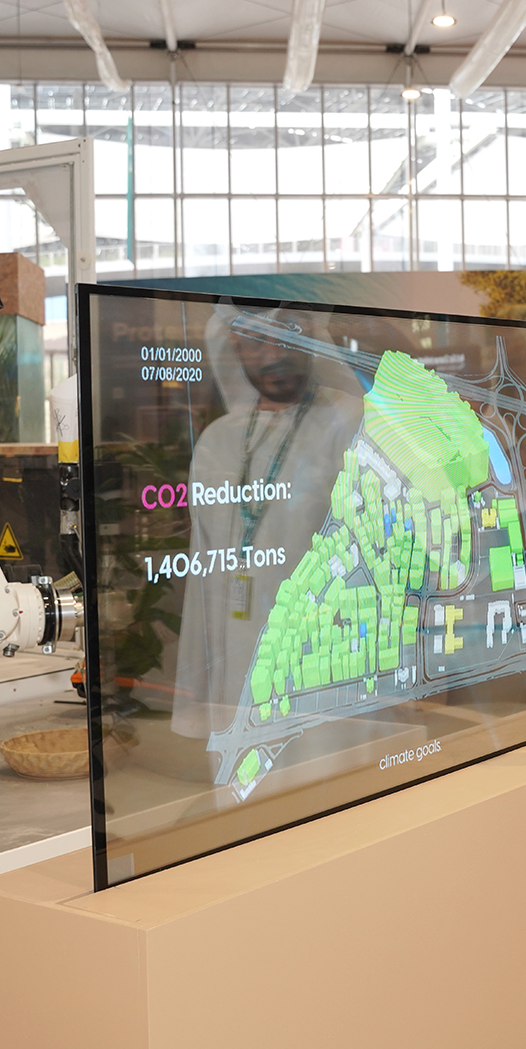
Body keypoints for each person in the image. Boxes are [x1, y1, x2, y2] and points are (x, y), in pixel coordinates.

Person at [170, 307, 363, 747]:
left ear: (311, 333)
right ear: (234, 345)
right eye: (257, 340)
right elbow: (204, 582)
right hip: (236, 668)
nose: (274, 354)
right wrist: (196, 702)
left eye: (287, 335)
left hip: (327, 674)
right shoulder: (217, 441)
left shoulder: (351, 423)